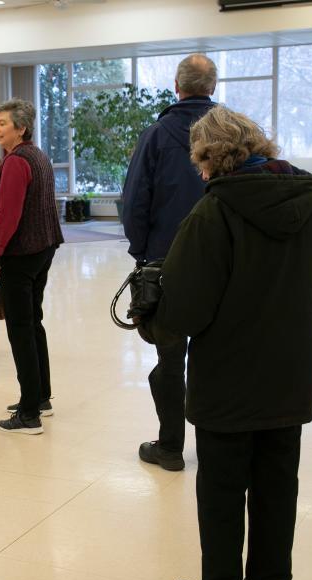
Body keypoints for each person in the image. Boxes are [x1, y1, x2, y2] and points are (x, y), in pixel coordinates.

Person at [140, 106, 312, 580]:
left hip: (227, 380)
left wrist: (152, 317)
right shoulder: (311, 197)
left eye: (198, 162)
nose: (198, 172)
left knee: (221, 487)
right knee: (277, 484)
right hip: (290, 375)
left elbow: (184, 312)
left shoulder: (212, 212)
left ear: (209, 158)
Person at [121, 53, 218, 472]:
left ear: (177, 88)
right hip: (224, 264)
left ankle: (171, 446)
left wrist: (144, 253)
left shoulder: (157, 135)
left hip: (167, 263)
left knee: (169, 360)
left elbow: (133, 202)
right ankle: (218, 446)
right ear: (212, 87)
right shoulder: (235, 134)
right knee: (219, 357)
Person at [0, 99, 64, 434]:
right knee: (33, 322)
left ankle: (29, 413)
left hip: (22, 253)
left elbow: (9, 214)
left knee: (20, 329)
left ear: (21, 127)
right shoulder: (38, 155)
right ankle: (40, 396)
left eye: (3, 123)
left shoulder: (17, 161)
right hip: (42, 248)